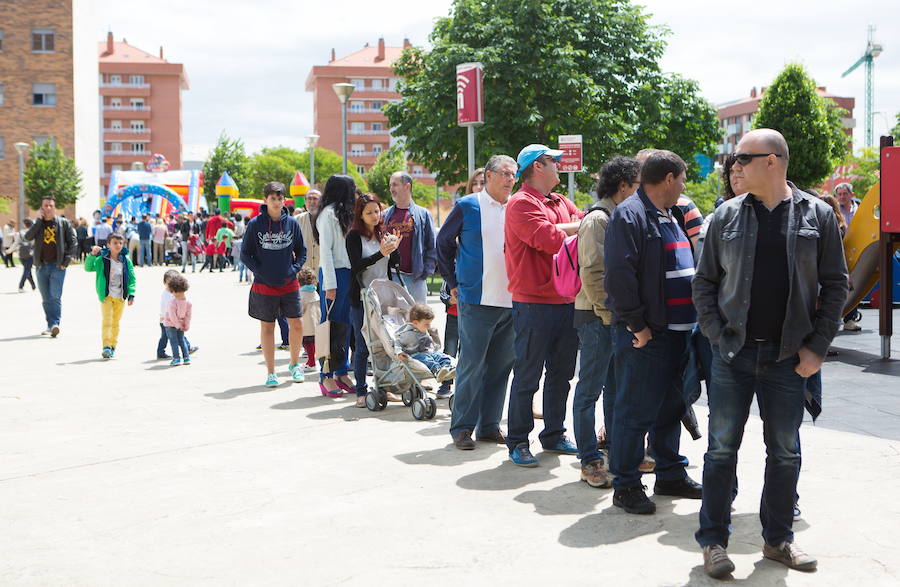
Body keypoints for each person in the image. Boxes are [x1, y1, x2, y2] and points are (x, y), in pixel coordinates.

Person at [692, 129, 848, 578]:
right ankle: (714, 543)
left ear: (773, 161)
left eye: (744, 157)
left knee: (784, 452)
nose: (734, 165)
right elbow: (704, 282)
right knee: (721, 450)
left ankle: (778, 540)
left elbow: (836, 285)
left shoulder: (817, 215)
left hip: (787, 358)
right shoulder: (725, 216)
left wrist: (817, 348)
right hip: (733, 355)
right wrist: (718, 337)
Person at [604, 150, 703, 515]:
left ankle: (670, 473)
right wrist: (638, 325)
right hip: (647, 336)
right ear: (668, 179)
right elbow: (619, 276)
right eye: (683, 178)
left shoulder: (670, 213)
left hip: (677, 333)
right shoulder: (630, 215)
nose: (684, 185)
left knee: (669, 408)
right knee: (635, 410)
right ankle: (626, 484)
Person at [502, 144, 583, 467]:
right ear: (537, 166)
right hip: (533, 303)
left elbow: (582, 225)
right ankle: (518, 440)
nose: (560, 166)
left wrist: (569, 228)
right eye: (554, 161)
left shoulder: (560, 201)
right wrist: (574, 228)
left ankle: (553, 435)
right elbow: (549, 240)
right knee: (528, 375)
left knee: (561, 375)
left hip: (566, 300)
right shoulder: (520, 203)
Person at [437, 154, 517, 450]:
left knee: (500, 367)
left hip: (511, 300)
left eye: (514, 175)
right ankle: (461, 427)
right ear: (490, 175)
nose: (511, 180)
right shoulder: (468, 205)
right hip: (477, 299)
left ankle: (489, 425)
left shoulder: (516, 206)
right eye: (506, 174)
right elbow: (443, 243)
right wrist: (454, 282)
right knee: (472, 365)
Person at [572, 156, 640, 487]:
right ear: (623, 186)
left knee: (614, 390)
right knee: (589, 389)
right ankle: (589, 459)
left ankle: (614, 451)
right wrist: (608, 313)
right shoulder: (597, 220)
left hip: (612, 317)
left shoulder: (617, 216)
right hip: (595, 316)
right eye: (636, 185)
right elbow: (593, 273)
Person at [240, 181, 307, 387]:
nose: (277, 202)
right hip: (264, 284)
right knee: (267, 327)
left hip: (289, 283)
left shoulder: (292, 223)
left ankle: (294, 365)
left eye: (280, 198)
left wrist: (293, 269)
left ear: (284, 200)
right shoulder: (255, 224)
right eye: (273, 198)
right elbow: (245, 254)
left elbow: (302, 252)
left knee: (297, 324)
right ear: (265, 200)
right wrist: (261, 271)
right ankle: (271, 372)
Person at [346, 193, 402, 407]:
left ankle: (386, 387)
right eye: (369, 212)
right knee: (363, 345)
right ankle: (361, 390)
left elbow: (393, 264)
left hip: (385, 295)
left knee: (387, 342)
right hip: (362, 297)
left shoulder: (383, 233)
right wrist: (381, 253)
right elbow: (357, 265)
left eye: (377, 211)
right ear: (360, 214)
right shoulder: (353, 237)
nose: (374, 216)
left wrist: (394, 248)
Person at [314, 175, 357, 396]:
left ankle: (341, 372)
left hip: (348, 274)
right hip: (334, 275)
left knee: (345, 325)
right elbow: (326, 252)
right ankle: (325, 375)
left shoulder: (343, 214)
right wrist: (330, 285)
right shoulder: (328, 215)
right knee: (329, 326)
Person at [25, 195, 78, 337]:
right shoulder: (38, 224)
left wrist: (66, 261)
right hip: (41, 266)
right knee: (46, 298)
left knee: (55, 296)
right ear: (42, 208)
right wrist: (37, 221)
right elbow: (27, 237)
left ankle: (55, 324)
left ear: (55, 207)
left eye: (51, 205)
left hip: (57, 266)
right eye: (45, 206)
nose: (48, 208)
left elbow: (73, 242)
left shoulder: (63, 223)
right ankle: (50, 325)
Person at [384, 171, 437, 303]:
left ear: (407, 186)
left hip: (416, 278)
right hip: (391, 276)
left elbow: (432, 246)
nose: (391, 189)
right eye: (390, 185)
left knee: (418, 320)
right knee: (394, 320)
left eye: (395, 185)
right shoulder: (385, 215)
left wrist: (425, 272)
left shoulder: (423, 214)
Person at [85, 233, 135, 359]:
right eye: (115, 243)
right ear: (108, 245)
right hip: (106, 296)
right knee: (107, 321)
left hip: (120, 297)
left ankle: (113, 346)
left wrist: (131, 294)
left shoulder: (126, 260)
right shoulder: (103, 258)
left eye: (120, 243)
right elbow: (88, 268)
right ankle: (106, 346)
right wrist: (92, 255)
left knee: (116, 322)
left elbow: (132, 278)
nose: (118, 245)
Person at [394, 303, 456, 381]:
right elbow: (397, 343)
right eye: (427, 324)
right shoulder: (406, 334)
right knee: (426, 359)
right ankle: (437, 371)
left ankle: (447, 368)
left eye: (429, 324)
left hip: (429, 353)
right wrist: (399, 352)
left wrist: (435, 345)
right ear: (415, 323)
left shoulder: (423, 330)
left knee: (442, 356)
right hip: (416, 356)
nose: (429, 326)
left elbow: (430, 344)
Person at [162, 274, 192, 366]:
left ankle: (176, 358)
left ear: (174, 291)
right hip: (181, 325)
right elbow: (188, 316)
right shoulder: (188, 303)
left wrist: (177, 325)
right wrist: (185, 325)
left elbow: (172, 316)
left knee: (174, 342)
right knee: (181, 340)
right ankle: (186, 357)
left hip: (170, 325)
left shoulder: (172, 302)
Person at [298, 267, 321, 374]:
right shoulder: (315, 292)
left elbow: (300, 310)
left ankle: (311, 363)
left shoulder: (301, 294)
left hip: (306, 325)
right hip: (316, 322)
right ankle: (312, 361)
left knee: (307, 344)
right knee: (313, 343)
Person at [296, 189, 321, 282]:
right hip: (303, 276)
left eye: (315, 199)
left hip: (323, 275)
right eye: (309, 199)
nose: (312, 202)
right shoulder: (296, 220)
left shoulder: (327, 220)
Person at [5, 218, 36, 292]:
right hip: (30, 254)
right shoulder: (33, 233)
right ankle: (21, 286)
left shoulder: (20, 233)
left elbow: (15, 243)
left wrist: (9, 251)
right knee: (27, 270)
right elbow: (34, 244)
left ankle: (33, 286)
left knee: (27, 271)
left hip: (21, 255)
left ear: (25, 225)